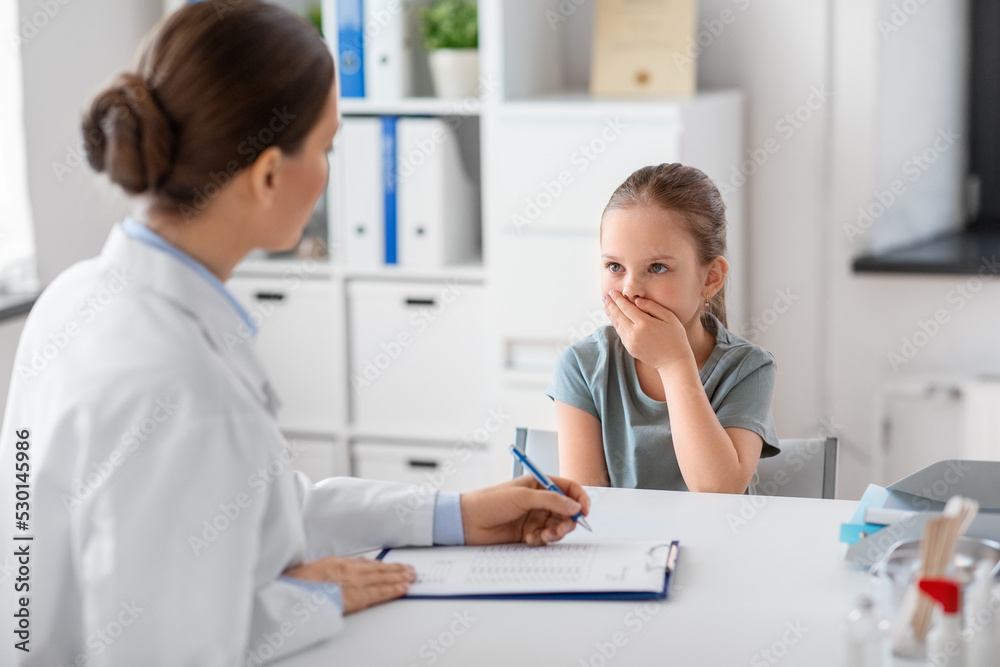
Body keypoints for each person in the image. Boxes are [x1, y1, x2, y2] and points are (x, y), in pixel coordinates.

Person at [0, 2, 589, 665]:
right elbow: (158, 646)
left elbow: (249, 513)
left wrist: (452, 513)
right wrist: (306, 598)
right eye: (328, 145)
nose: (331, 172)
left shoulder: (75, 296)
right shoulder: (182, 382)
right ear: (270, 175)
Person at [547, 163, 779, 493]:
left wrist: (673, 363)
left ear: (710, 277)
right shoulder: (581, 366)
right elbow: (589, 504)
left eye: (657, 267)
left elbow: (718, 492)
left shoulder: (749, 369)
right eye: (615, 266)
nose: (629, 289)